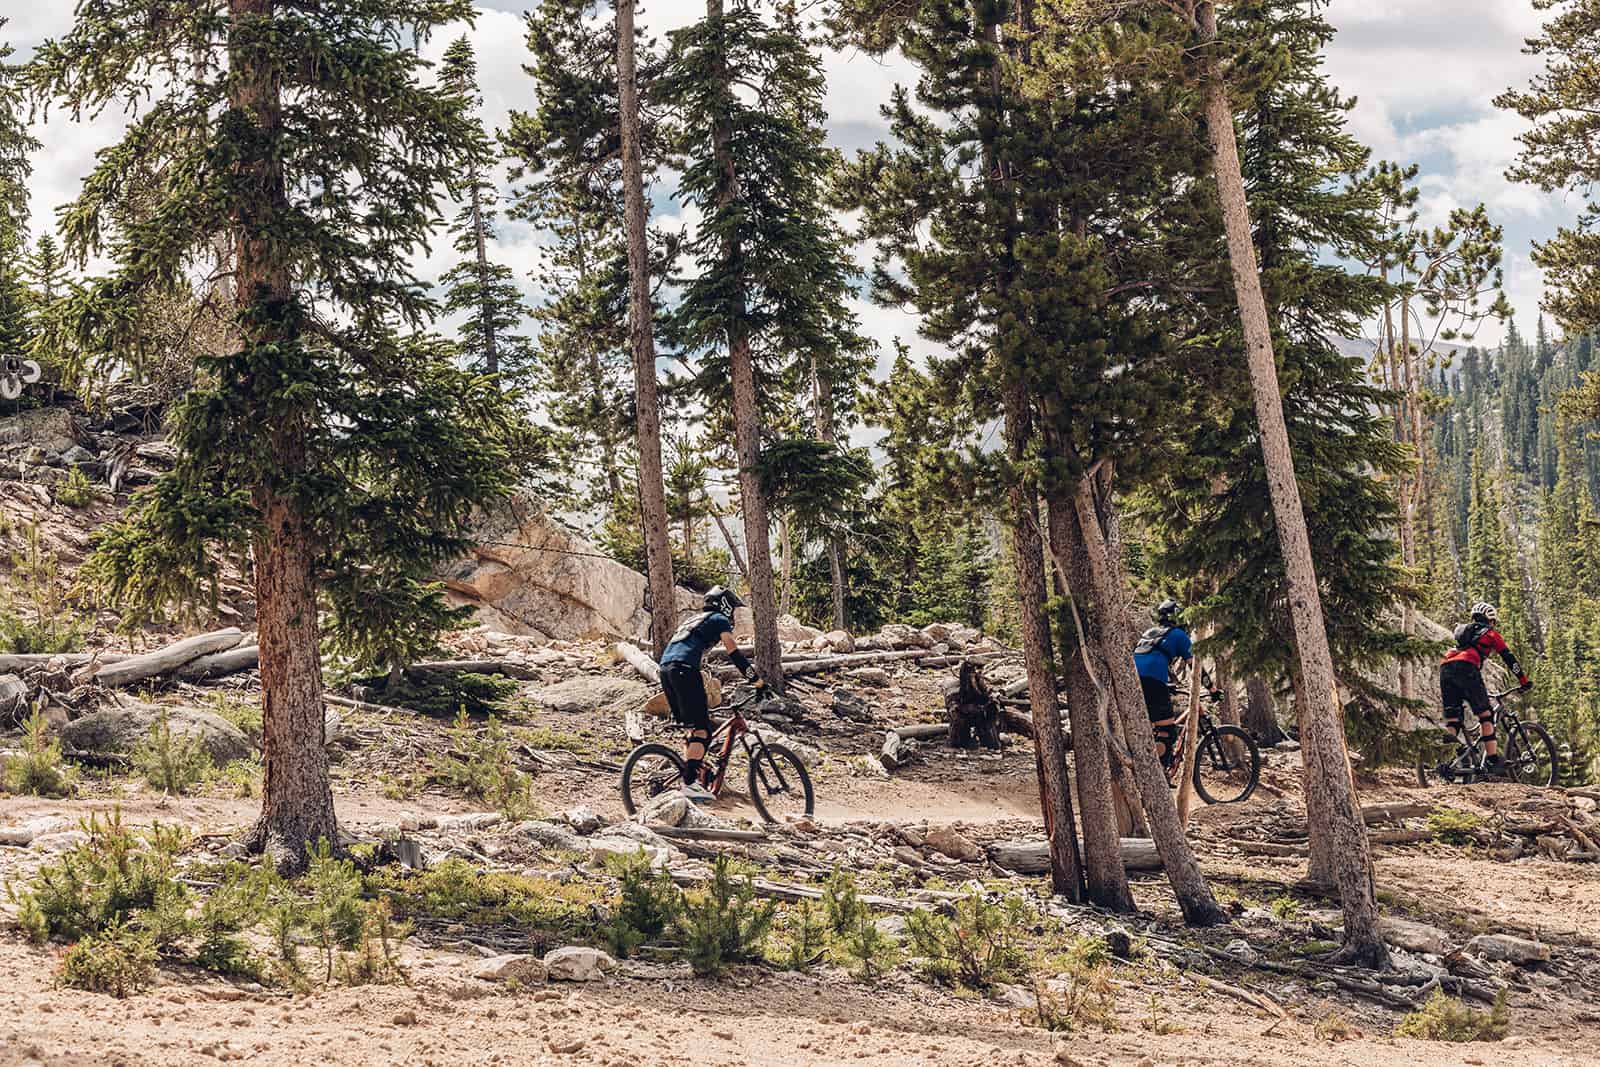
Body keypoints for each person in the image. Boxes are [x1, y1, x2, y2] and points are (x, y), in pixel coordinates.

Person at [659, 586, 763, 801]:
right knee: (703, 729)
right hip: (684, 669)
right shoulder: (718, 620)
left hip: (665, 670)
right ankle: (689, 784)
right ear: (725, 605)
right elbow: (733, 652)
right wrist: (756, 680)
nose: (732, 615)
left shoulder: (694, 620)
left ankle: (692, 775)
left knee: (693, 728)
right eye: (732, 609)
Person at [1438, 601, 1529, 779]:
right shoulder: (1491, 633)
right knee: (1486, 715)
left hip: (1446, 668)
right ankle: (1493, 760)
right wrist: (1523, 680)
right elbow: (1509, 658)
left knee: (1453, 719)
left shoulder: (1463, 633)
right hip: (1467, 668)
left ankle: (1444, 761)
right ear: (1491, 620)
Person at [1133, 598, 1193, 776]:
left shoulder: (1150, 632)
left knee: (1151, 727)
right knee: (1167, 730)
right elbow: (1195, 668)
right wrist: (1213, 690)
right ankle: (1160, 776)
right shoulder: (1179, 635)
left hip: (1134, 680)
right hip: (1153, 682)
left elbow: (1148, 659)